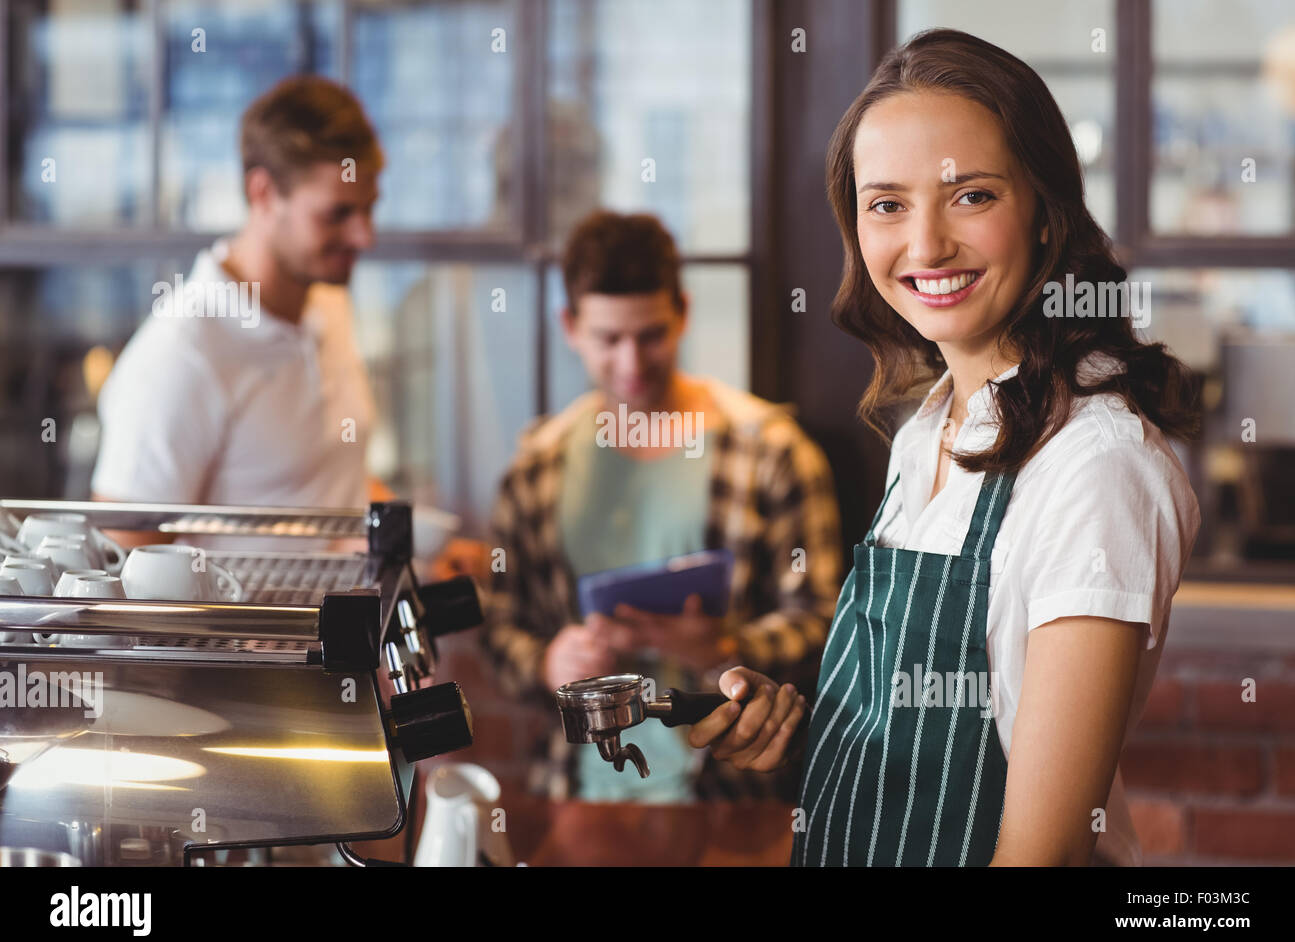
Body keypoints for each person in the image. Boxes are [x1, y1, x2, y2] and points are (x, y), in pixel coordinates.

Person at [688, 29, 1201, 866]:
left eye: (971, 197)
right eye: (887, 203)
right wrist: (805, 725)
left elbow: (1038, 854)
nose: (924, 247)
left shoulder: (1095, 465)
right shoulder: (928, 427)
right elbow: (937, 720)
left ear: (1044, 213)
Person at [482, 210, 843, 801]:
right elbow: (499, 627)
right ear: (569, 326)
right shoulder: (534, 469)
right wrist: (549, 662)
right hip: (575, 794)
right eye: (608, 339)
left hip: (730, 796)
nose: (631, 362)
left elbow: (826, 624)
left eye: (650, 334)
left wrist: (723, 650)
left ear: (683, 313)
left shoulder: (770, 453)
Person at [91, 76, 392, 549]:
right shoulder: (182, 353)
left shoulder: (326, 297)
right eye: (337, 214)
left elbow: (320, 477)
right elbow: (119, 555)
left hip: (359, 620)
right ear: (263, 193)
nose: (364, 237)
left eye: (369, 210)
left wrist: (414, 540)